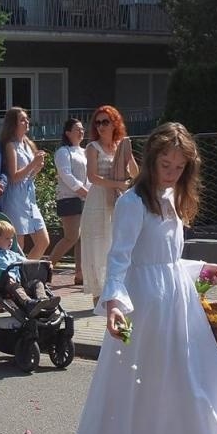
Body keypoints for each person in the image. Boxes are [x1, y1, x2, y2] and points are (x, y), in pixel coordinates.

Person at [67, 122, 217, 434]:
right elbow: (120, 261)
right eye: (165, 165)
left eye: (179, 167)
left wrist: (200, 268)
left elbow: (166, 260)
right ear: (151, 160)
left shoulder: (172, 199)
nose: (171, 173)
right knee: (132, 382)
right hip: (146, 306)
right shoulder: (132, 203)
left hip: (177, 302)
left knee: (191, 384)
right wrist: (115, 306)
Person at [80, 105, 137, 298]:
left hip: (118, 200)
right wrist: (118, 184)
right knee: (98, 246)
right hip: (98, 200)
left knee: (115, 242)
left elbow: (135, 173)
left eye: (105, 121)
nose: (101, 126)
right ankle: (98, 295)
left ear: (115, 123)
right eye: (97, 122)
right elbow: (93, 177)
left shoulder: (121, 145)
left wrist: (128, 155)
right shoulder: (92, 147)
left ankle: (115, 289)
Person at [0, 106, 50, 259]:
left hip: (29, 197)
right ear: (13, 123)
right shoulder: (10, 145)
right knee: (18, 245)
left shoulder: (27, 144)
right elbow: (14, 177)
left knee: (43, 241)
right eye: (22, 119)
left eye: (27, 119)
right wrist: (34, 164)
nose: (27, 122)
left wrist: (37, 167)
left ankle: (24, 271)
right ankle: (16, 276)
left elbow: (29, 175)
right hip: (15, 198)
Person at [0, 217, 59, 316]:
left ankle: (43, 301)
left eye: (12, 238)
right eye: (7, 238)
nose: (11, 241)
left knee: (37, 283)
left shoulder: (12, 254)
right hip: (5, 285)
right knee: (15, 287)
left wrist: (43, 263)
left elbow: (27, 262)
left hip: (22, 282)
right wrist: (5, 276)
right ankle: (28, 303)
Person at [47, 118, 90, 285]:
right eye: (77, 129)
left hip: (85, 198)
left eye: (82, 129)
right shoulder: (63, 152)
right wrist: (82, 190)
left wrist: (90, 192)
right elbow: (66, 175)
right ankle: (46, 269)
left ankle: (80, 274)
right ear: (67, 133)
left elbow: (90, 175)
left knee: (83, 237)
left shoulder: (86, 152)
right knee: (71, 236)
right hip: (69, 198)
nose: (81, 132)